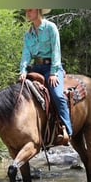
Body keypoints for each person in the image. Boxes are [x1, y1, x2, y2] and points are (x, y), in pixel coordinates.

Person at [19, 9, 72, 144]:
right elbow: (26, 54)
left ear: (38, 11)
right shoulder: (28, 35)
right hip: (36, 68)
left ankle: (67, 131)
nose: (28, 13)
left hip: (52, 67)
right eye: (27, 11)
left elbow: (56, 50)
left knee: (57, 94)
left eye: (30, 10)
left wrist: (54, 72)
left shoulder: (50, 28)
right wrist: (23, 71)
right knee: (20, 94)